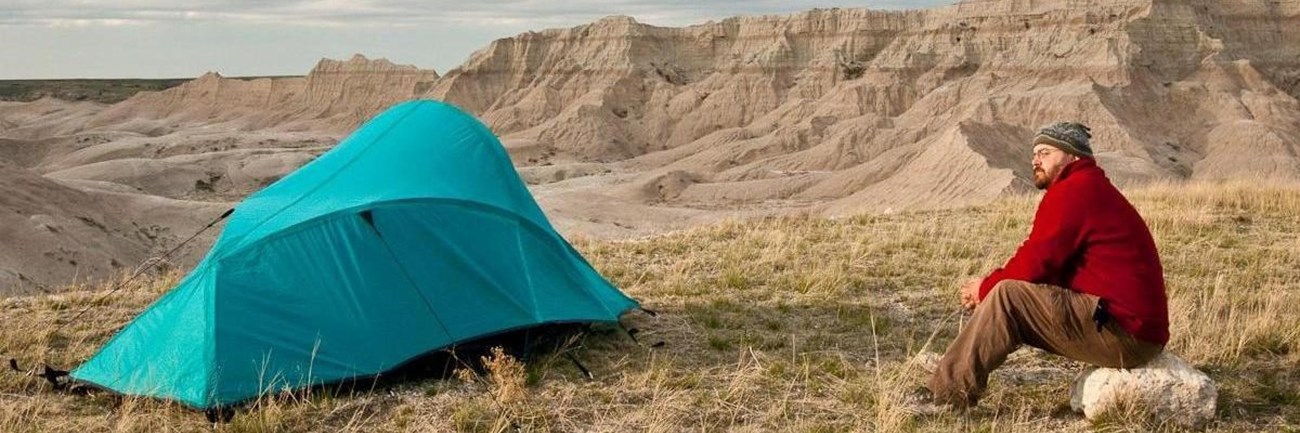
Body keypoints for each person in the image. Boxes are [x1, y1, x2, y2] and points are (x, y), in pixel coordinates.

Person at [925, 121, 1169, 409]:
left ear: (1073, 157)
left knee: (1007, 297)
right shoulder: (1089, 187)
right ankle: (950, 381)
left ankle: (945, 397)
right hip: (1132, 329)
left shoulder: (1076, 190)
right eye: (1034, 153)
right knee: (1007, 294)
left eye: (1045, 152)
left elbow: (1035, 262)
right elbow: (1048, 267)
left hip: (1126, 334)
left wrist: (984, 289)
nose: (1035, 160)